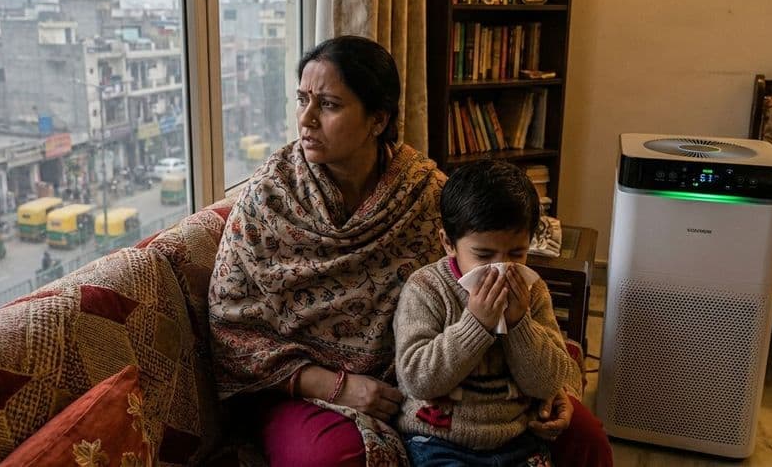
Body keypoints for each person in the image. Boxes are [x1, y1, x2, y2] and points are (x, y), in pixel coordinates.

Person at [209, 36, 610, 466]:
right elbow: (232, 327)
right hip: (299, 387)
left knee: (583, 436)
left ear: (377, 119)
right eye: (302, 99)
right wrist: (333, 385)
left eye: (327, 104)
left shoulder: (425, 195)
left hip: (443, 386)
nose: (305, 119)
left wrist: (557, 391)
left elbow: (492, 286)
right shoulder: (269, 199)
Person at [394, 160, 583, 466]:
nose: (501, 267)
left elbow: (548, 382)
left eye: (516, 254)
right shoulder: (427, 288)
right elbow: (419, 381)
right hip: (440, 440)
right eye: (483, 255)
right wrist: (476, 324)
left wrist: (520, 323)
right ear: (448, 243)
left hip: (517, 439)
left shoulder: (532, 291)